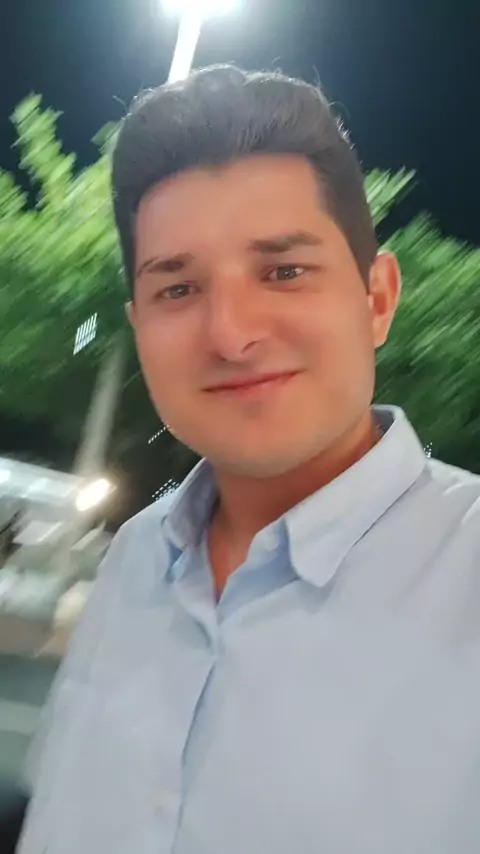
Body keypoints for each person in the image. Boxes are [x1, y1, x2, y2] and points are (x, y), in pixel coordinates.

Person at [18, 66, 480, 854]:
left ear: (376, 298)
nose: (231, 335)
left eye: (284, 271)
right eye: (177, 289)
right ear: (139, 325)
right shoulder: (134, 560)